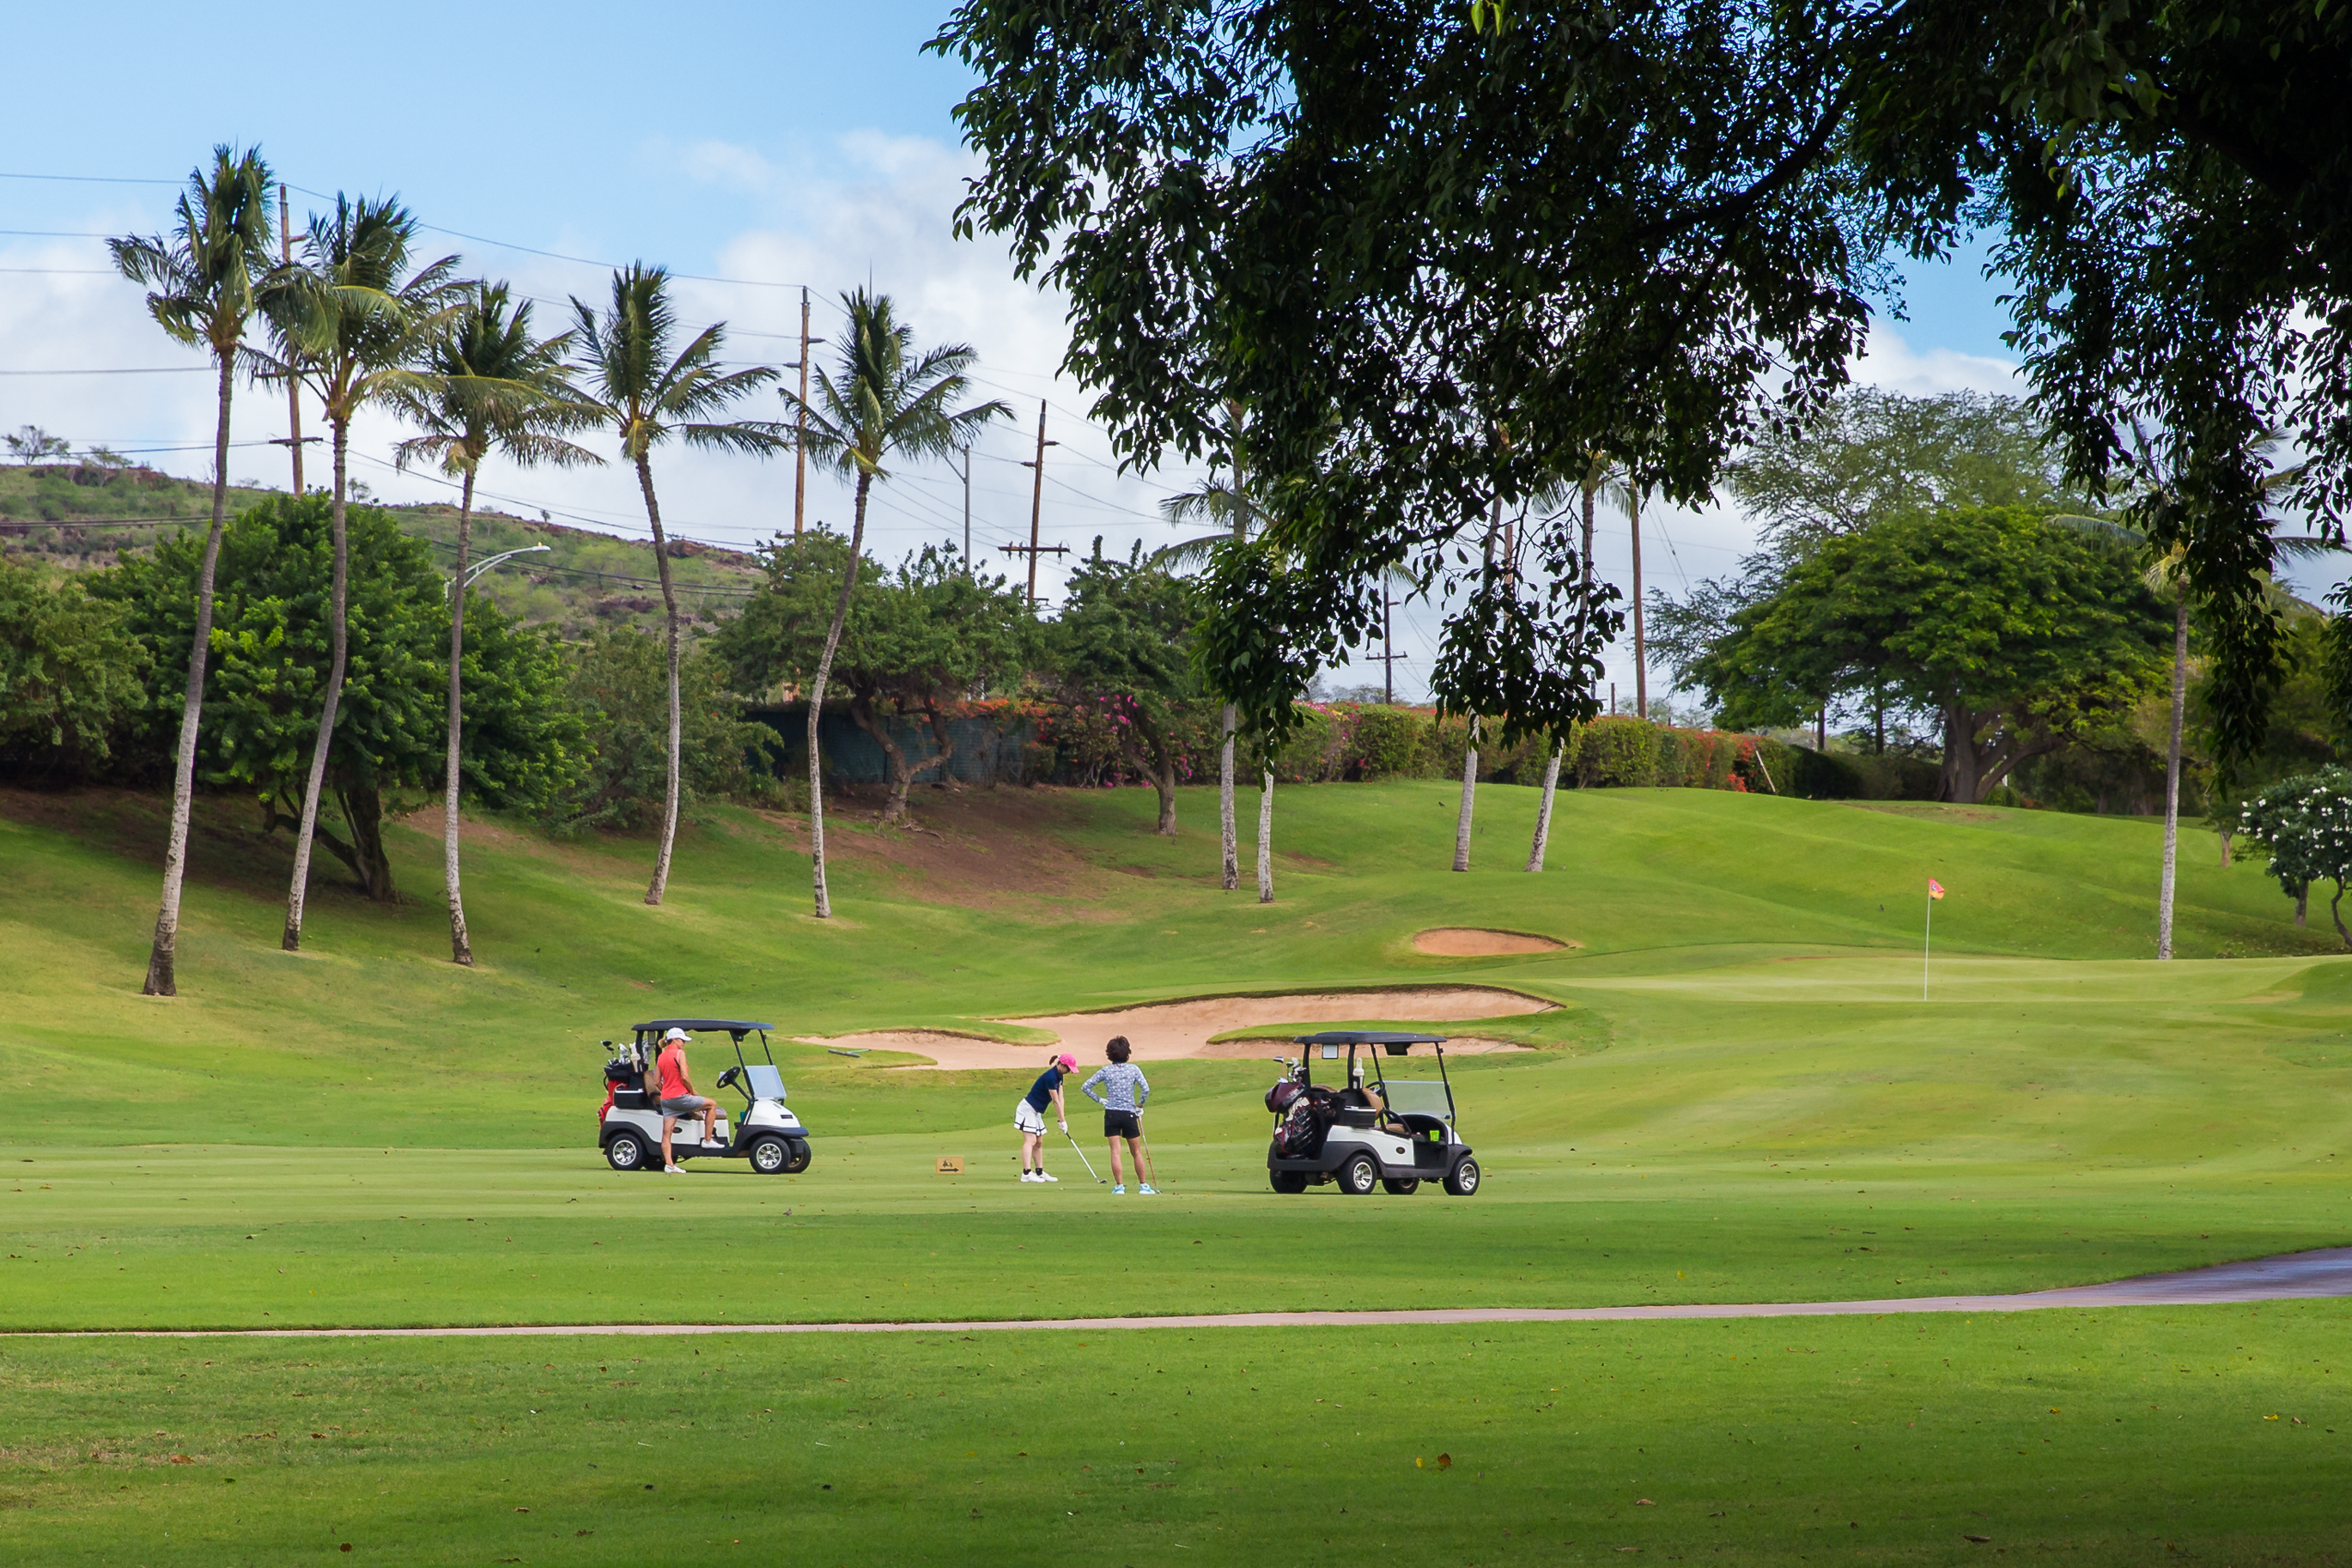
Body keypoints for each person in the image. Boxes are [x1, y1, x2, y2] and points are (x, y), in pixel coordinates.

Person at [1081, 1036, 1155, 1194]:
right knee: (1136, 1152)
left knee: (1115, 1151)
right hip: (1129, 1113)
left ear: (1109, 1054)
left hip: (1112, 1113)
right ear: (1127, 1052)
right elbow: (1146, 1089)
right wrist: (1140, 1105)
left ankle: (1119, 1186)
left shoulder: (1105, 1071)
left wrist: (1100, 1100)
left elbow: (1086, 1086)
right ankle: (1143, 1186)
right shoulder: (1133, 1069)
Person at [653, 1026, 720, 1174]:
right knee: (711, 1105)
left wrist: (666, 1091)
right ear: (675, 1040)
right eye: (682, 1040)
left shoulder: (661, 1056)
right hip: (680, 1098)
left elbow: (657, 1081)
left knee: (667, 1133)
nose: (684, 1043)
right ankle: (708, 1140)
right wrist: (692, 1091)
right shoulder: (679, 1053)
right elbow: (684, 1076)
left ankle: (669, 1165)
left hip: (667, 1100)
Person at [1014, 1053, 1076, 1182]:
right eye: (1068, 1068)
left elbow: (1061, 1098)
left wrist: (1062, 1119)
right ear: (1061, 1065)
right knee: (1030, 1141)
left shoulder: (1059, 1076)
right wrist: (1062, 1120)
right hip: (1027, 1109)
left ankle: (1039, 1172)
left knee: (1039, 1142)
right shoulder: (1051, 1077)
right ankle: (1026, 1174)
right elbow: (1055, 1101)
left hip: (1036, 1111)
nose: (1069, 1071)